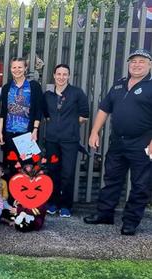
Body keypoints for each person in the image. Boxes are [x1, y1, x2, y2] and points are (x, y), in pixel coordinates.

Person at [84, 49, 152, 236]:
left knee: (140, 184)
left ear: (149, 65)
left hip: (143, 144)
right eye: (133, 61)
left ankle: (130, 222)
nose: (136, 65)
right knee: (111, 179)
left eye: (141, 61)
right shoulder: (119, 85)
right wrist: (94, 132)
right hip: (118, 142)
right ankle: (105, 214)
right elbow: (104, 109)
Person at [42, 64, 90, 218]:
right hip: (51, 140)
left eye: (65, 74)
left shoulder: (77, 93)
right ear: (54, 76)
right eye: (58, 74)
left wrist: (69, 125)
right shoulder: (48, 95)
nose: (61, 77)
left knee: (67, 173)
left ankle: (65, 206)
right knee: (53, 170)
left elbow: (85, 115)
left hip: (70, 140)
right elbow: (46, 115)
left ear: (69, 76)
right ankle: (53, 203)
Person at [0, 57, 44, 179]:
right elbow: (3, 111)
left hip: (27, 134)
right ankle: (13, 197)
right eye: (14, 67)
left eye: (20, 67)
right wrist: (0, 132)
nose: (17, 70)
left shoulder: (34, 86)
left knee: (28, 167)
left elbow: (39, 109)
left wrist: (35, 130)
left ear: (25, 68)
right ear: (10, 68)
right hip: (9, 132)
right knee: (12, 167)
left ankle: (26, 197)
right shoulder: (7, 87)